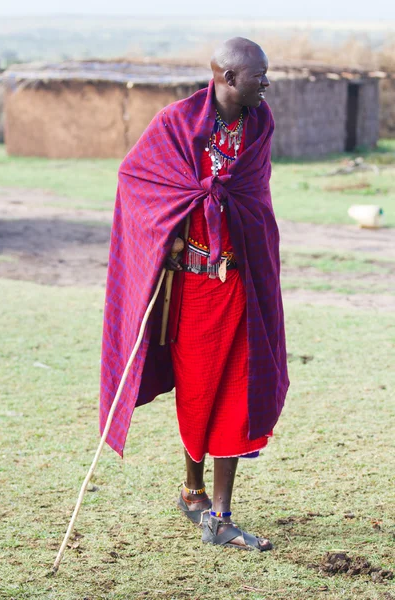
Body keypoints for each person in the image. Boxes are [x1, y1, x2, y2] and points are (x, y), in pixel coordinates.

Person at [100, 37, 289, 552]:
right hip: (194, 289)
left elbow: (254, 196)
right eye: (259, 75)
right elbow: (136, 178)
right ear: (228, 77)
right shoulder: (178, 123)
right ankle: (192, 491)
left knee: (238, 391)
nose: (267, 82)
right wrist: (169, 227)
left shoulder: (260, 124)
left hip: (243, 280)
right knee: (199, 392)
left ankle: (221, 515)